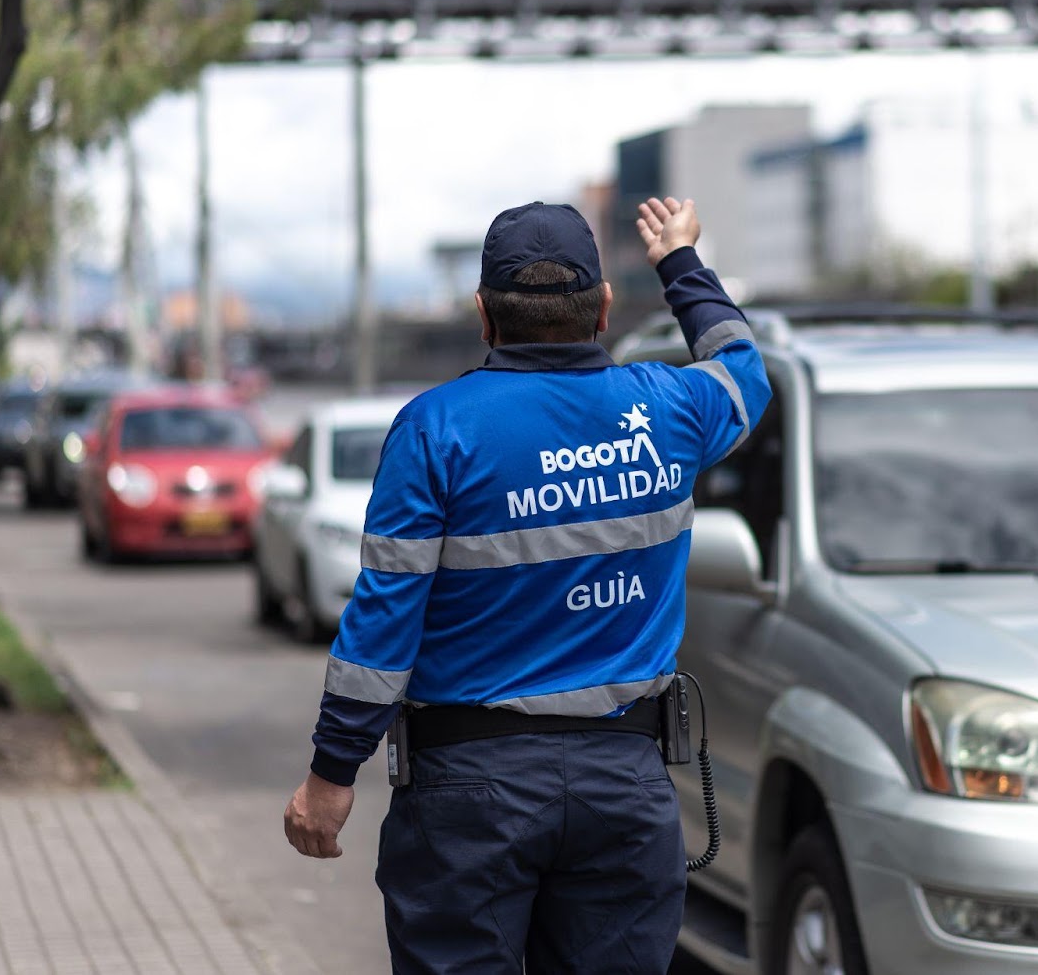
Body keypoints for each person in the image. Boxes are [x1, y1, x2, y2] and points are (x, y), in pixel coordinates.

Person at [282, 197, 771, 973]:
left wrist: (330, 774)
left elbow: (383, 624)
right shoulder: (671, 408)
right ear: (604, 308)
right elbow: (746, 370)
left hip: (468, 800)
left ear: (484, 314)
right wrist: (680, 262)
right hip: (625, 791)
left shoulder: (435, 429)